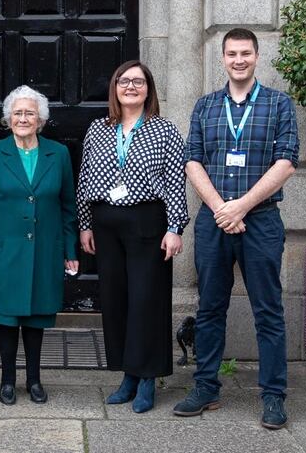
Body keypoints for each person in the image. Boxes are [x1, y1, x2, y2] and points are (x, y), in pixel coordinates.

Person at [174, 28, 299, 429]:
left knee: (269, 310)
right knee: (210, 308)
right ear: (223, 58)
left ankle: (273, 396)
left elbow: (286, 161)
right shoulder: (206, 106)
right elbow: (193, 160)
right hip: (214, 221)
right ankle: (206, 386)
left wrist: (241, 206)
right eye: (232, 54)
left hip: (260, 221)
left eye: (246, 53)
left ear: (257, 57)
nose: (239, 60)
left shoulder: (279, 104)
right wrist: (219, 208)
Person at [76, 60, 188, 413]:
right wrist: (85, 223)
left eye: (138, 82)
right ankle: (127, 374)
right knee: (117, 300)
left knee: (147, 300)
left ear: (148, 89)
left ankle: (148, 378)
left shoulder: (165, 130)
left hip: (147, 223)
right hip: (106, 223)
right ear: (114, 88)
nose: (130, 87)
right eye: (124, 81)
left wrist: (174, 228)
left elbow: (174, 182)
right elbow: (85, 177)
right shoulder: (97, 128)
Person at [0, 85, 79, 406]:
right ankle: (7, 381)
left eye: (29, 113)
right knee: (6, 317)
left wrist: (70, 251)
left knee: (36, 316)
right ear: (8, 118)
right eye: (18, 113)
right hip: (3, 250)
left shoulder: (58, 153)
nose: (23, 118)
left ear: (41, 119)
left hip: (45, 248)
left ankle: (34, 379)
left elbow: (68, 206)